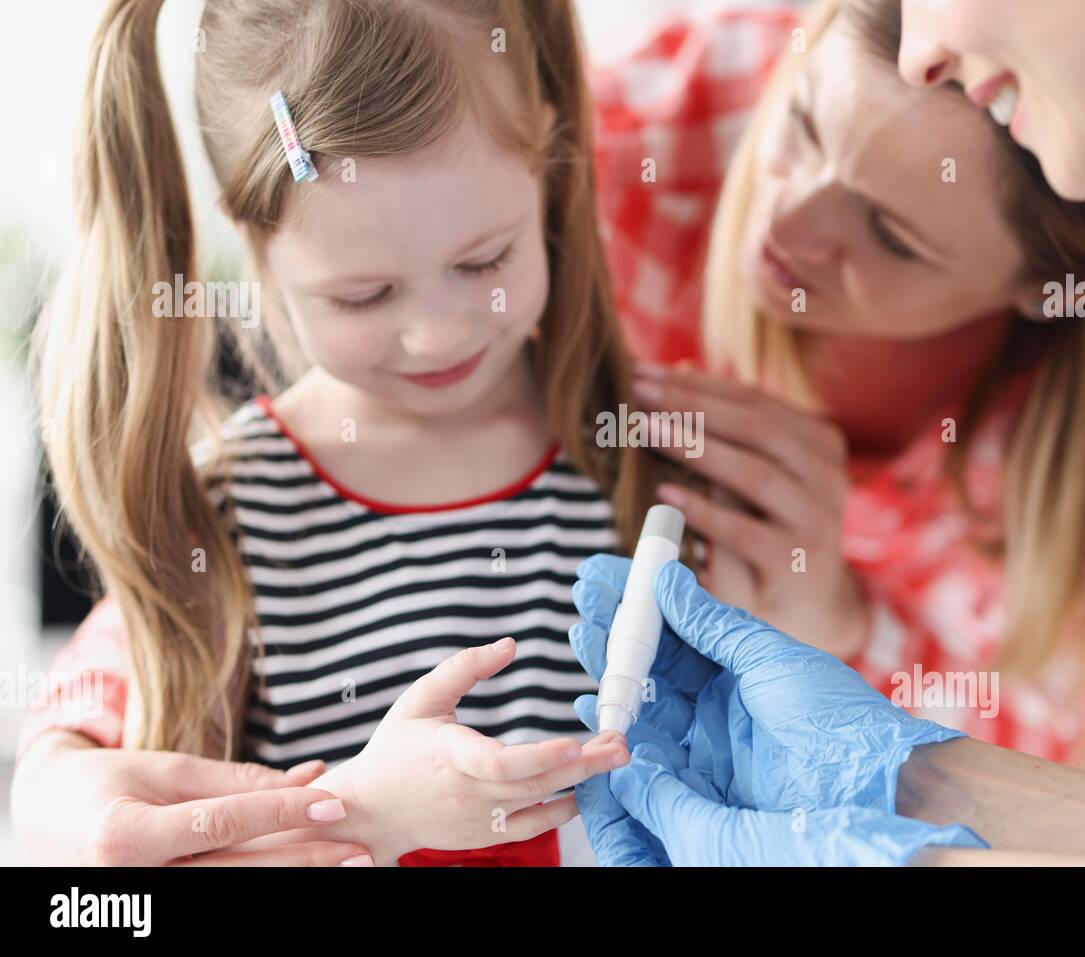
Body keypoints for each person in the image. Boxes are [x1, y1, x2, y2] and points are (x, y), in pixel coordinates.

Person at [571, 0, 1085, 864]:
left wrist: (843, 631)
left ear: (1057, 289)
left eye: (892, 236)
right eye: (801, 125)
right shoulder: (681, 104)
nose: (788, 226)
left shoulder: (1055, 500)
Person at [13, 0, 636, 867]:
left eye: (484, 260)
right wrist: (370, 811)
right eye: (364, 296)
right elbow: (66, 773)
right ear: (254, 247)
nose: (440, 333)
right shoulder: (232, 506)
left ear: (550, 161)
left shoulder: (637, 453)